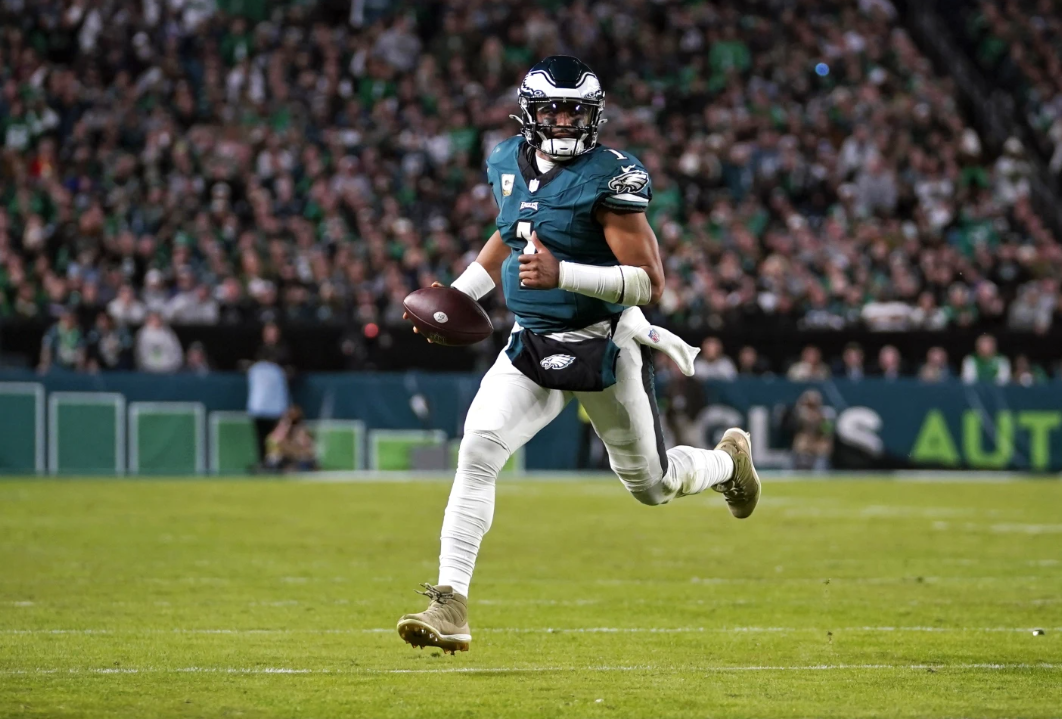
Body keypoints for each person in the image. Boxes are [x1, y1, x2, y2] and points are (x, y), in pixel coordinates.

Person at [396, 57, 760, 654]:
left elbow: (649, 283)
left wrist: (563, 272)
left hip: (603, 344)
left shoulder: (612, 177)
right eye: (553, 110)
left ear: (594, 116)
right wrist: (462, 293)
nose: (564, 121)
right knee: (479, 447)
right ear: (530, 114)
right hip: (530, 341)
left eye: (575, 111)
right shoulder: (506, 160)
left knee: (652, 485)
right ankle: (451, 603)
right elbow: (509, 233)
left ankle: (726, 464)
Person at [245, 322, 292, 465]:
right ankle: (262, 461)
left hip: (277, 402)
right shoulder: (258, 350)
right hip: (261, 403)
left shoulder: (284, 351)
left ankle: (277, 461)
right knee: (261, 436)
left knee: (277, 435)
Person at [263, 406, 318, 472]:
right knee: (274, 459)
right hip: (284, 457)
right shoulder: (283, 427)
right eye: (290, 417)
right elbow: (274, 441)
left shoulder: (301, 429)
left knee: (305, 461)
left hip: (298, 458)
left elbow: (307, 450)